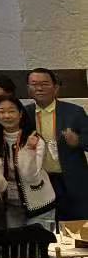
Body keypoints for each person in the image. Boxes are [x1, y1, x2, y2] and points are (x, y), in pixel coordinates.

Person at [25, 67, 88, 220]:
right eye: (34, 84)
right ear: (28, 89)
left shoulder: (74, 112)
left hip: (70, 181)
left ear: (56, 88)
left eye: (44, 84)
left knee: (77, 226)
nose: (39, 88)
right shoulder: (24, 114)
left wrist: (78, 141)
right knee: (44, 227)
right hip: (39, 182)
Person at [0, 96, 55, 230]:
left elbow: (30, 175)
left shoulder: (34, 139)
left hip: (39, 204)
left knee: (39, 242)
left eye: (11, 111)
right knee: (15, 242)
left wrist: (28, 151)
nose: (7, 116)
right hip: (11, 205)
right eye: (1, 111)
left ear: (20, 114)